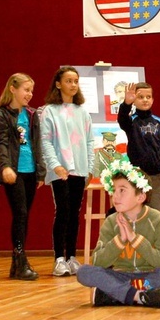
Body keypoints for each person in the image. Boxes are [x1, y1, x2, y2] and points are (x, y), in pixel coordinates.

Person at [77, 158, 160, 307]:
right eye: (114, 190)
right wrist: (120, 240)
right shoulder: (111, 222)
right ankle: (141, 296)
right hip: (120, 275)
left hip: (148, 276)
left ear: (140, 197)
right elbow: (98, 262)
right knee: (83, 271)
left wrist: (134, 238)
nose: (115, 196)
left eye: (122, 190)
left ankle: (113, 295)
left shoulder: (159, 220)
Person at [40, 66, 95, 277]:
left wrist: (90, 168)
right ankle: (59, 259)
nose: (73, 85)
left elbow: (89, 141)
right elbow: (45, 142)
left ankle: (72, 256)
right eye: (69, 81)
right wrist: (55, 165)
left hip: (79, 170)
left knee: (74, 213)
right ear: (58, 84)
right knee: (62, 211)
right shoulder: (49, 111)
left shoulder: (83, 113)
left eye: (75, 81)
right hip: (60, 170)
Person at [0, 73, 46, 281]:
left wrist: (40, 171)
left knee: (24, 216)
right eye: (26, 90)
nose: (29, 94)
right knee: (20, 213)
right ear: (13, 89)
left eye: (31, 90)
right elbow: (2, 143)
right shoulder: (2, 116)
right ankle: (20, 260)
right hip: (14, 172)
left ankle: (17, 265)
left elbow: (36, 144)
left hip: (30, 171)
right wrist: (5, 166)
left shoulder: (32, 115)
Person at [117, 82, 160, 212]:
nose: (145, 100)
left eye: (148, 97)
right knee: (136, 211)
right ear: (134, 100)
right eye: (140, 97)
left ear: (153, 100)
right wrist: (126, 104)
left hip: (156, 176)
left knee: (155, 212)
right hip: (136, 175)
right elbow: (121, 119)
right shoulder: (131, 121)